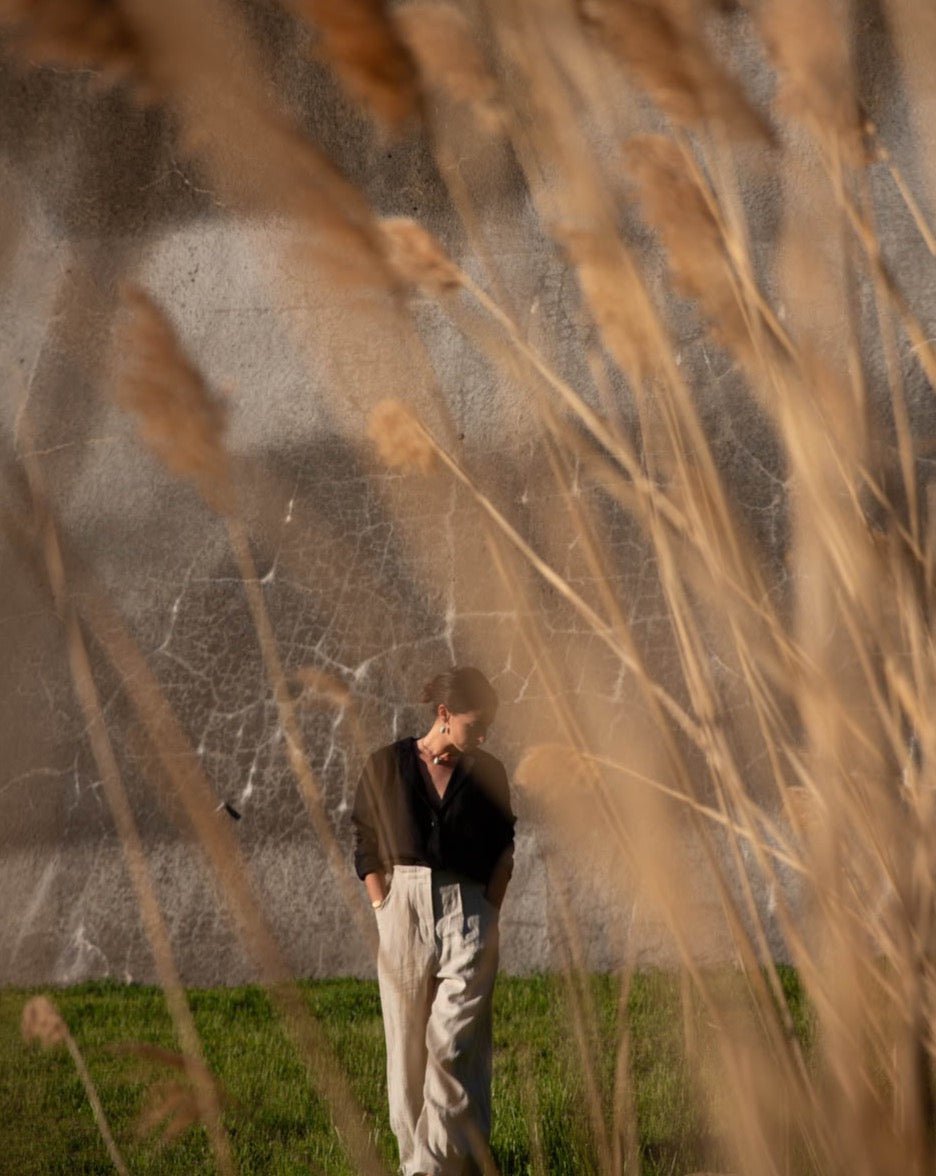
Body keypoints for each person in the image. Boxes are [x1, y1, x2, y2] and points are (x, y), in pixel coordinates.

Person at [351, 666, 515, 1176]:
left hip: (468, 914)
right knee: (406, 1057)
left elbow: (504, 849)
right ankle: (445, 1162)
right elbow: (364, 841)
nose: (483, 735)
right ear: (443, 715)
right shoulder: (386, 765)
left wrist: (487, 911)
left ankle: (427, 1170)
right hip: (401, 911)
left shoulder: (488, 771)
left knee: (452, 1045)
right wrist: (382, 909)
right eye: (475, 723)